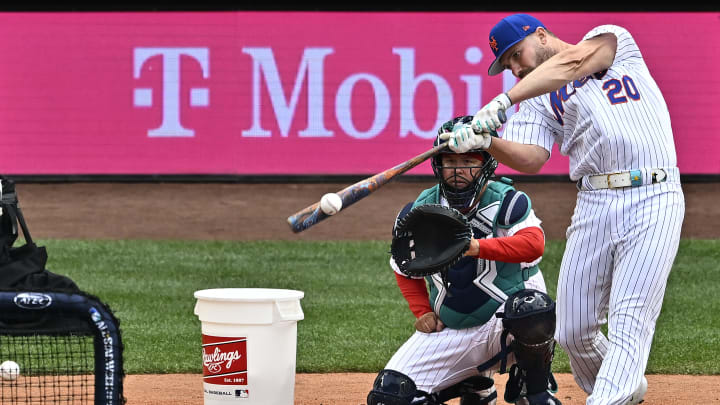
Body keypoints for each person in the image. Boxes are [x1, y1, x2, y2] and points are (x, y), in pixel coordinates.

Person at [442, 14, 685, 405]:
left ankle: (606, 398)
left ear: (540, 35)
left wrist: (505, 98)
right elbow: (532, 158)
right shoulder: (535, 99)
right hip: (594, 203)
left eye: (515, 55)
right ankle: (625, 389)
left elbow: (572, 64)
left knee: (629, 318)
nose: (515, 68)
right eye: (507, 66)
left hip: (653, 195)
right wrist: (487, 140)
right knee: (573, 331)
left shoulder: (611, 43)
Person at [367, 115, 562, 405]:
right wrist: (421, 311)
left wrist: (476, 247)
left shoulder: (507, 202)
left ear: (486, 164)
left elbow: (534, 244)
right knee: (389, 397)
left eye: (468, 162)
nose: (458, 171)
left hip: (504, 324)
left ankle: (534, 390)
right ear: (439, 165)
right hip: (452, 329)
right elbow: (402, 267)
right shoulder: (419, 212)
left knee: (532, 308)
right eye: (451, 163)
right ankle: (474, 382)